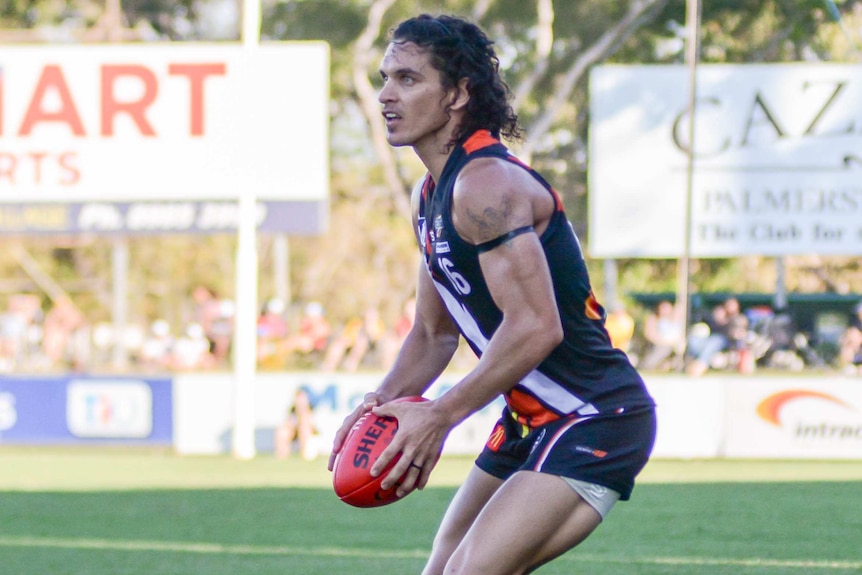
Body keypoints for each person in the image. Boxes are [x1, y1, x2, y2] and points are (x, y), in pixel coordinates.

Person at [328, 15, 656, 575]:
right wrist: (377, 402)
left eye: (408, 80)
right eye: (385, 78)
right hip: (529, 417)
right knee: (442, 570)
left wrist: (441, 415)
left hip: (594, 414)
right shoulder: (428, 194)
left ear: (458, 94)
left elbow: (536, 326)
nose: (386, 95)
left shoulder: (487, 185)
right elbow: (434, 334)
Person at [639, 299, 686, 372]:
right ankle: (649, 365)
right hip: (660, 344)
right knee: (661, 352)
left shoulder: (676, 319)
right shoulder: (654, 319)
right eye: (663, 308)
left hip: (675, 343)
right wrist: (663, 341)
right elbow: (649, 334)